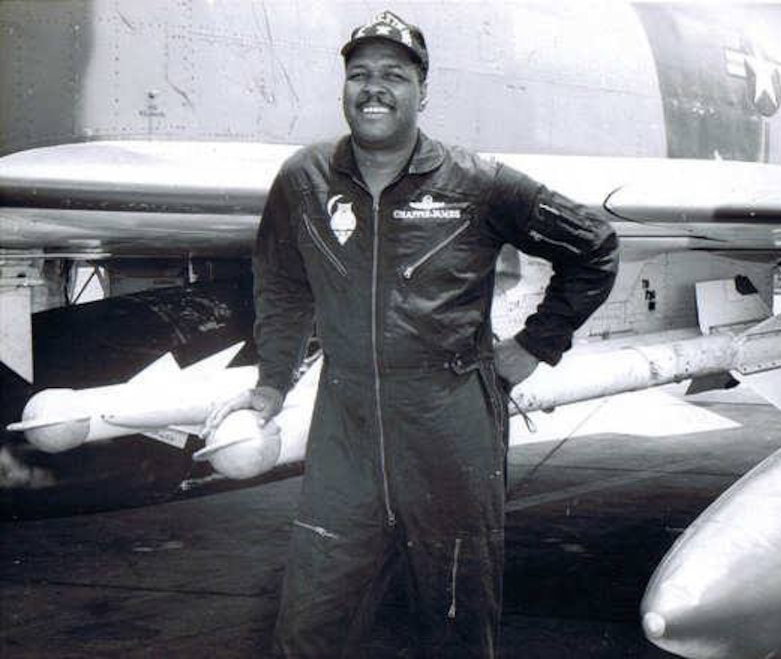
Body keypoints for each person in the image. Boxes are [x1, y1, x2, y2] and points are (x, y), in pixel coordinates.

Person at [205, 10, 618, 658]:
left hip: (449, 423)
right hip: (346, 426)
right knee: (308, 622)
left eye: (393, 75)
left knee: (455, 615)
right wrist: (269, 387)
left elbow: (594, 246)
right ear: (343, 86)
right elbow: (282, 287)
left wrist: (535, 345)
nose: (375, 88)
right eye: (360, 74)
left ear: (421, 92)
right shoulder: (303, 181)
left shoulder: (478, 182)